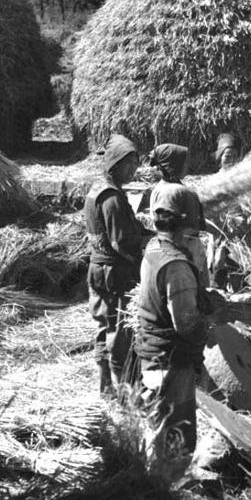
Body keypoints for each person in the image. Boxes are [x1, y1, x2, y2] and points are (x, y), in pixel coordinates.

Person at [135, 191, 225, 480]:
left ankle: (156, 488)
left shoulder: (154, 247)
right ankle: (168, 495)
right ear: (187, 229)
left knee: (157, 431)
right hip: (171, 363)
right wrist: (210, 322)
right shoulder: (177, 268)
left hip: (152, 355)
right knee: (175, 434)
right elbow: (186, 324)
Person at [84, 133, 146, 397]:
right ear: (114, 164)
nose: (133, 170)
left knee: (104, 326)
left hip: (99, 269)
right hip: (114, 272)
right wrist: (143, 257)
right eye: (129, 163)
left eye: (136, 164)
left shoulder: (99, 190)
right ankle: (123, 392)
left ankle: (106, 388)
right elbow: (122, 242)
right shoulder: (112, 198)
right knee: (118, 331)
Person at [149, 143, 209, 286]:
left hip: (188, 246)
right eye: (184, 161)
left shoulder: (176, 188)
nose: (187, 165)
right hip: (182, 249)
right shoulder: (168, 192)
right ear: (172, 165)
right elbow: (165, 227)